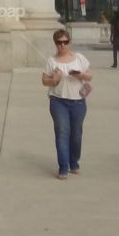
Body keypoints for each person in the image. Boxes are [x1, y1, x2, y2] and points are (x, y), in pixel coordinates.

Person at [42, 28, 92, 179]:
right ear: (55, 43)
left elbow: (90, 75)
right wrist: (54, 79)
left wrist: (80, 74)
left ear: (69, 42)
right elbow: (44, 80)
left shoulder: (79, 58)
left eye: (65, 42)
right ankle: (63, 166)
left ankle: (74, 161)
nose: (62, 45)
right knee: (63, 131)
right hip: (58, 101)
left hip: (78, 102)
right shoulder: (51, 61)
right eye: (59, 43)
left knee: (76, 133)